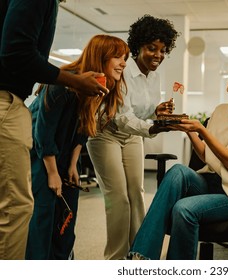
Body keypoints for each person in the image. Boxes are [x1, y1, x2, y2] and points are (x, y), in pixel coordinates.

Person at [127, 51, 228, 260]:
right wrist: (189, 129)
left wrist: (202, 130)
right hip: (208, 182)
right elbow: (205, 155)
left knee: (184, 208)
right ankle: (141, 257)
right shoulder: (221, 110)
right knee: (178, 171)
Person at [0, 0, 109, 260]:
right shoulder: (64, 89)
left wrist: (71, 162)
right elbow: (16, 52)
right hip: (7, 103)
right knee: (15, 209)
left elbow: (83, 128)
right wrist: (72, 80)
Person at [25, 34, 129, 260]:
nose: (123, 63)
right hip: (41, 155)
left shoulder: (98, 86)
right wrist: (52, 173)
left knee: (66, 215)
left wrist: (73, 164)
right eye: (117, 57)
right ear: (100, 56)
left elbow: (84, 127)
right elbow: (43, 131)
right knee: (44, 216)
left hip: (66, 154)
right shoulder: (64, 83)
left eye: (125, 58)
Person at [86, 14, 179, 260]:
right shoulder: (123, 72)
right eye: (151, 48)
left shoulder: (154, 76)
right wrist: (153, 128)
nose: (158, 55)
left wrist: (156, 113)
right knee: (119, 199)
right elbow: (120, 116)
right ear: (137, 46)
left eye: (162, 50)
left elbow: (142, 112)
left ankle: (138, 253)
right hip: (106, 134)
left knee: (136, 195)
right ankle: (115, 259)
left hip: (131, 137)